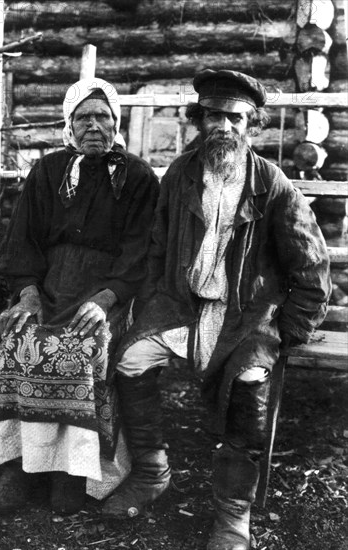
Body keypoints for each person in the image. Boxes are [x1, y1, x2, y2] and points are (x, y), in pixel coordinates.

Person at [101, 70, 332, 550]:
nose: (224, 126)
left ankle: (233, 514)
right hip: (181, 309)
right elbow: (157, 248)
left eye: (235, 117)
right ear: (198, 121)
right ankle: (151, 472)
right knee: (129, 359)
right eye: (213, 116)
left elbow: (312, 270)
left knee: (249, 382)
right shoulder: (181, 176)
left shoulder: (271, 184)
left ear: (252, 125)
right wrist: (150, 304)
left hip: (245, 315)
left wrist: (286, 332)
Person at [0, 78, 159, 516]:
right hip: (48, 286)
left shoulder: (137, 176)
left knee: (83, 347)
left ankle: (73, 470)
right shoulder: (47, 171)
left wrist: (105, 300)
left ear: (116, 122)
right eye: (84, 117)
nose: (94, 126)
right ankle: (24, 465)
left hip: (109, 291)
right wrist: (27, 295)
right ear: (69, 123)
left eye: (103, 116)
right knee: (21, 340)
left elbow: (142, 249)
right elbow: (23, 238)